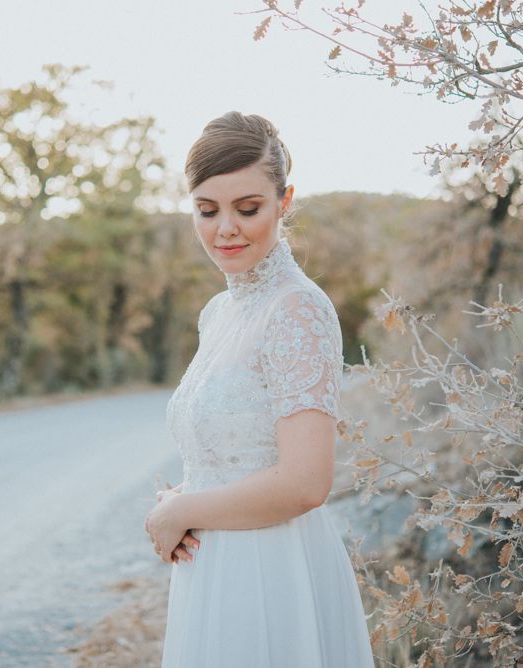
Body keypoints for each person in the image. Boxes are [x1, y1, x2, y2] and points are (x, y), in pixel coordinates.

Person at [143, 111, 375, 667]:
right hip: (213, 567)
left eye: (248, 209)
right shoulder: (219, 312)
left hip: (271, 570)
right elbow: (230, 452)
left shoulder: (296, 309)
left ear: (284, 200)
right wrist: (183, 497)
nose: (226, 228)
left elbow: (304, 482)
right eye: (207, 209)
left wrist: (183, 512)